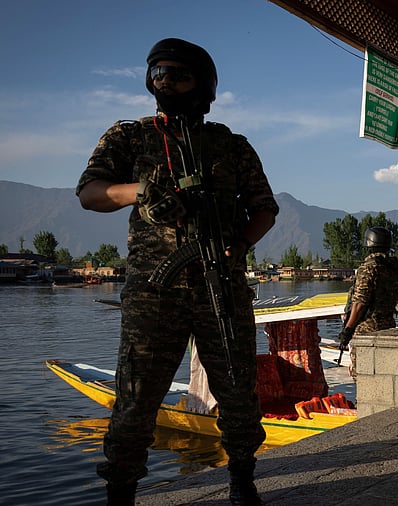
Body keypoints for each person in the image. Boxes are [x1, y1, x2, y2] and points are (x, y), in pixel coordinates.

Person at [76, 38, 279, 505]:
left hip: (220, 288)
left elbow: (264, 209)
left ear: (202, 84)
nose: (165, 82)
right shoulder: (130, 136)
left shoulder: (231, 145)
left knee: (238, 393)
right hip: (154, 292)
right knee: (136, 397)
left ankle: (242, 479)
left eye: (177, 74)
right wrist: (140, 192)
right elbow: (90, 193)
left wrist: (238, 247)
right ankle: (121, 490)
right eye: (158, 73)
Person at [338, 226, 398, 380]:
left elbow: (360, 303)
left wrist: (347, 330)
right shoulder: (396, 267)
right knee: (385, 372)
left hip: (367, 329)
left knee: (362, 375)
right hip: (388, 325)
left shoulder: (369, 267)